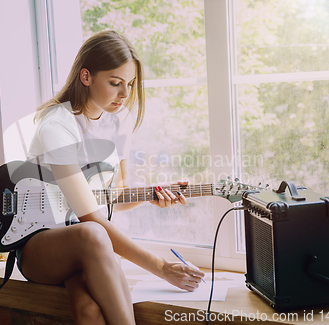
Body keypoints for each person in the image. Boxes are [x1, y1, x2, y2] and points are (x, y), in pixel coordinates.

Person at [18, 30, 205, 325]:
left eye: (129, 84)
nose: (125, 94)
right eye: (115, 83)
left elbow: (112, 196)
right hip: (40, 248)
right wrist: (160, 267)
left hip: (88, 247)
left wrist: (150, 194)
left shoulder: (118, 121)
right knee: (92, 233)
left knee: (89, 311)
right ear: (86, 76)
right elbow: (91, 218)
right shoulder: (57, 126)